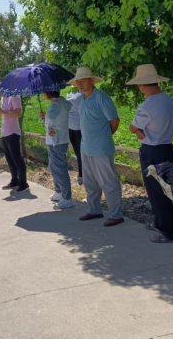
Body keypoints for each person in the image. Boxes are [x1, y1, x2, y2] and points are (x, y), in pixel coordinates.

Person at [126, 64, 173, 243]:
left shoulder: (146, 106)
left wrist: (138, 131)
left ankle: (168, 232)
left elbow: (133, 127)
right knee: (165, 190)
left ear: (141, 85)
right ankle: (161, 222)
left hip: (152, 151)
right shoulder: (167, 100)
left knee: (156, 192)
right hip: (166, 148)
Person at [68, 67, 124, 227]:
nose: (79, 83)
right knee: (90, 182)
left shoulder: (101, 97)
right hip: (86, 147)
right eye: (77, 81)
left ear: (92, 80)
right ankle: (94, 210)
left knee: (108, 182)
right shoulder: (82, 99)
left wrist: (104, 137)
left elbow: (114, 121)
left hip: (101, 148)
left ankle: (116, 214)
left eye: (83, 80)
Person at [0, 80, 30, 194]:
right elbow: (5, 113)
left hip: (13, 132)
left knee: (17, 157)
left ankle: (23, 183)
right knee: (9, 158)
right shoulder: (4, 97)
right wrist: (1, 112)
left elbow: (17, 114)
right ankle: (14, 180)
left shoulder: (14, 95)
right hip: (5, 132)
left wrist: (2, 111)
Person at [39, 90, 74, 209]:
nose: (43, 94)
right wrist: (45, 119)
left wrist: (46, 119)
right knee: (54, 166)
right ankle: (59, 192)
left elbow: (52, 118)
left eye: (44, 92)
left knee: (59, 168)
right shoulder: (62, 102)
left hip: (56, 141)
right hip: (60, 139)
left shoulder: (56, 104)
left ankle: (67, 198)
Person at [66, 88, 84, 185]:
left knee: (79, 153)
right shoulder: (74, 93)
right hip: (74, 127)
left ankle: (82, 174)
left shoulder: (78, 94)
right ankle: (81, 173)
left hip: (76, 127)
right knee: (78, 152)